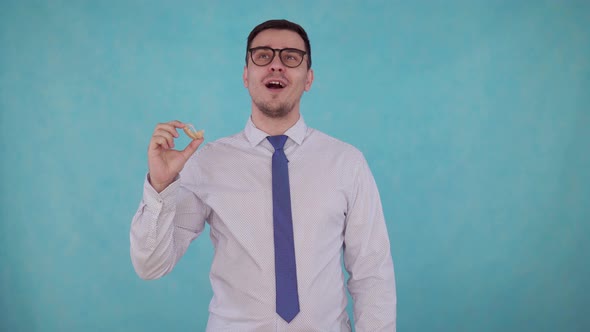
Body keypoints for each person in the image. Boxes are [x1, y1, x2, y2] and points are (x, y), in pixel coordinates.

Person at [130, 19, 396, 331]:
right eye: (263, 56)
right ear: (246, 75)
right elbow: (150, 266)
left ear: (308, 78)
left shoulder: (347, 163)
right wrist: (160, 186)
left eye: (291, 57)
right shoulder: (207, 162)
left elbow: (372, 274)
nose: (276, 66)